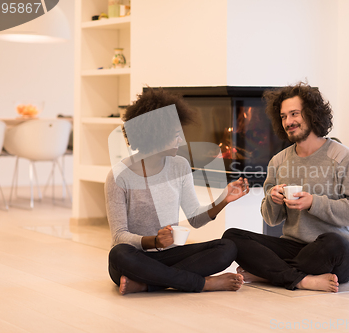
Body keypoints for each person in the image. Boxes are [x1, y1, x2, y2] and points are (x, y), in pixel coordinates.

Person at [222, 82, 349, 293]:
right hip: (295, 248)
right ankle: (301, 280)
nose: (288, 122)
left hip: (333, 253)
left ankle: (268, 273)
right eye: (283, 116)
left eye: (294, 114)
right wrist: (272, 200)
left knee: (334, 242)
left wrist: (313, 203)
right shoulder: (278, 161)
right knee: (232, 237)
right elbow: (272, 219)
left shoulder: (343, 157)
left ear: (311, 114)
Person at [106, 88, 249, 295]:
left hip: (169, 255)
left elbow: (194, 218)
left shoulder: (179, 165)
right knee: (118, 254)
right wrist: (154, 241)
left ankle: (149, 284)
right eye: (175, 135)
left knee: (227, 247)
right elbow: (119, 236)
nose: (181, 140)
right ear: (155, 136)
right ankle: (204, 284)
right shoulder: (119, 175)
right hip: (135, 256)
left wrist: (223, 200)